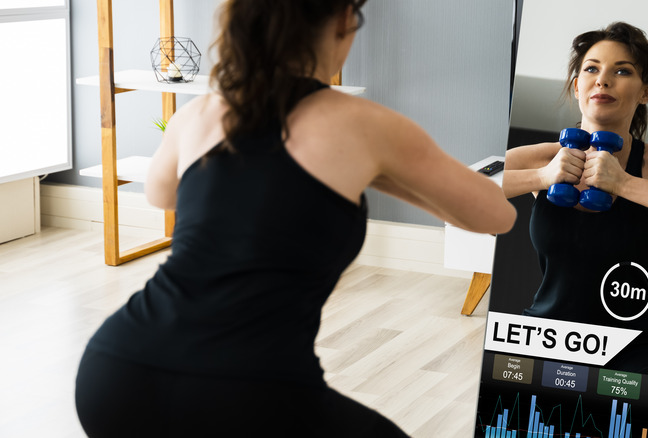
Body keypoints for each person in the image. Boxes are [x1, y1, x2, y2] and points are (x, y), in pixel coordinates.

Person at [74, 1, 516, 436]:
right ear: (344, 18)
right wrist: (379, 171)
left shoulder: (199, 114)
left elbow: (161, 194)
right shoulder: (364, 125)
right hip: (247, 388)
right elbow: (496, 214)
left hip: (118, 370)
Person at [502, 22, 648, 374]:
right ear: (576, 86)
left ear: (646, 91)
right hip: (544, 337)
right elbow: (466, 185)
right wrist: (543, 176)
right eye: (591, 69)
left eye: (622, 71)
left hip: (629, 347)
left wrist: (623, 182)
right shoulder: (546, 157)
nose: (603, 80)